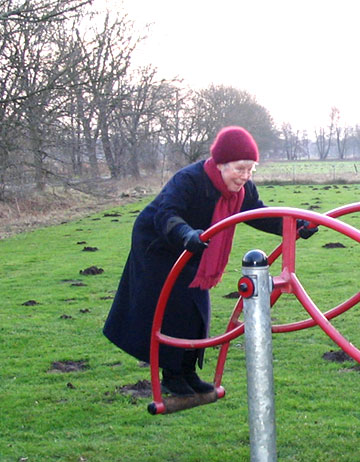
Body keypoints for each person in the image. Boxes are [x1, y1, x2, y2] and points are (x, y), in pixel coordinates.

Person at [103, 126, 317, 397]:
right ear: (221, 164)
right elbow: (166, 214)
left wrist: (296, 225)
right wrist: (186, 234)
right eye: (240, 168)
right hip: (160, 245)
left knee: (198, 309)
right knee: (175, 307)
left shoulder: (242, 190)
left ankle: (189, 372)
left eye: (251, 169)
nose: (245, 176)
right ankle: (171, 375)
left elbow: (258, 214)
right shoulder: (189, 180)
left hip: (194, 247)